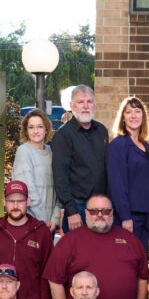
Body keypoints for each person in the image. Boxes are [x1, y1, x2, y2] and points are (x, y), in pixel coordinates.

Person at [45, 193, 149, 299]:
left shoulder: (130, 240)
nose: (99, 215)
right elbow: (54, 280)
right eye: (94, 211)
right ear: (86, 213)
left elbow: (143, 278)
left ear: (112, 213)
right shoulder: (69, 242)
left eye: (105, 211)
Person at [0, 180, 54, 299]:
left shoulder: (41, 233)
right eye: (11, 201)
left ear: (28, 202)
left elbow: (47, 274)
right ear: (4, 202)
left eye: (20, 201)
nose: (16, 205)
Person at [51, 85, 108, 232]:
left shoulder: (102, 131)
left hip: (102, 208)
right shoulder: (63, 136)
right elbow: (60, 176)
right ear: (72, 105)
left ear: (95, 105)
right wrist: (71, 211)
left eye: (89, 101)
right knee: (77, 254)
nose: (85, 106)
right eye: (80, 102)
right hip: (78, 207)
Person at [106, 96, 149, 249]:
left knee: (140, 261)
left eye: (137, 111)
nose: (133, 115)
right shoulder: (118, 145)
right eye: (128, 112)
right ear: (123, 118)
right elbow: (117, 185)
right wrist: (125, 217)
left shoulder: (147, 147)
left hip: (144, 217)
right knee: (125, 261)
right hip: (127, 216)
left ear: (143, 116)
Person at [11, 108, 61, 231]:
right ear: (26, 131)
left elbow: (60, 187)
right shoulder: (24, 151)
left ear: (46, 129)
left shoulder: (52, 152)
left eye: (39, 126)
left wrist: (55, 219)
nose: (36, 131)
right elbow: (28, 190)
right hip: (30, 223)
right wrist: (43, 221)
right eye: (31, 127)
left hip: (50, 225)